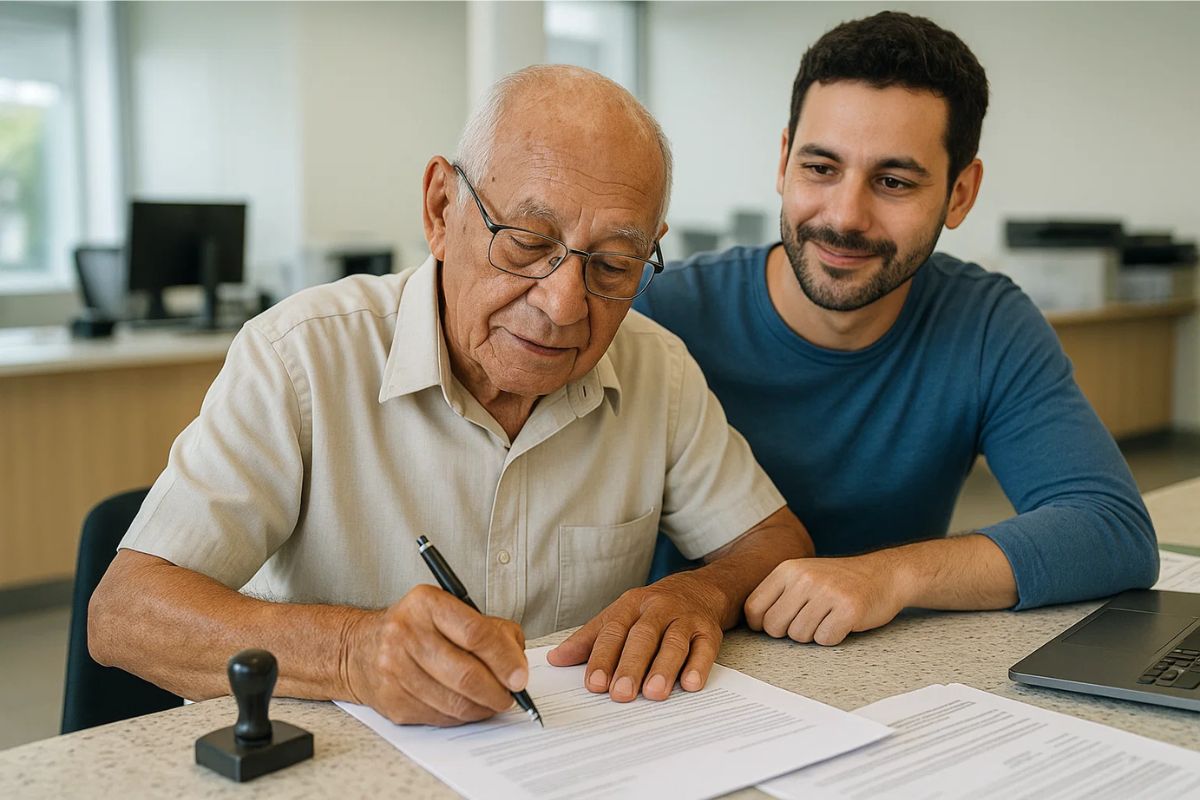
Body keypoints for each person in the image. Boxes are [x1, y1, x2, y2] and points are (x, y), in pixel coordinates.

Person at [88, 65, 813, 726]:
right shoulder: (301, 356)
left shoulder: (659, 369)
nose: (564, 305)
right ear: (441, 208)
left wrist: (699, 593)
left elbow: (772, 541)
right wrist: (350, 653)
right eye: (528, 241)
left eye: (615, 265)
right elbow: (124, 614)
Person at [635, 11, 1157, 647]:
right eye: (820, 168)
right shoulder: (660, 311)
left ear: (960, 194)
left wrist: (887, 577)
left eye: (893, 181)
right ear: (783, 161)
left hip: (886, 668)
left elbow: (1111, 530)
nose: (845, 216)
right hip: (686, 672)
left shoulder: (987, 323)